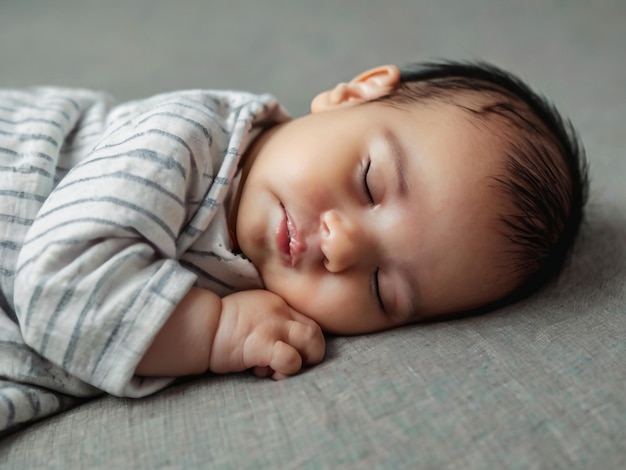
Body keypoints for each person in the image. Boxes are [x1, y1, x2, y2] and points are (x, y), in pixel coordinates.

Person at [0, 60, 587, 433]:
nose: (342, 246)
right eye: (369, 184)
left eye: (382, 287)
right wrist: (217, 331)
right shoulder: (185, 138)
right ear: (353, 94)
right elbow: (60, 287)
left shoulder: (269, 309)